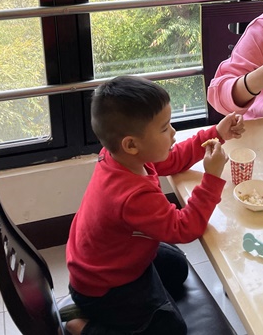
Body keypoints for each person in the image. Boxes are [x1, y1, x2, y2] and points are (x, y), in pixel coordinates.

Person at [65, 76, 245, 335]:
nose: (173, 132)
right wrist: (212, 178)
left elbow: (171, 160)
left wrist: (216, 133)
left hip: (104, 262)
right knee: (171, 328)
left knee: (177, 267)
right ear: (131, 144)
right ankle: (83, 327)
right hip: (105, 287)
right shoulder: (133, 195)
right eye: (164, 128)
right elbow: (184, 229)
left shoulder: (121, 156)